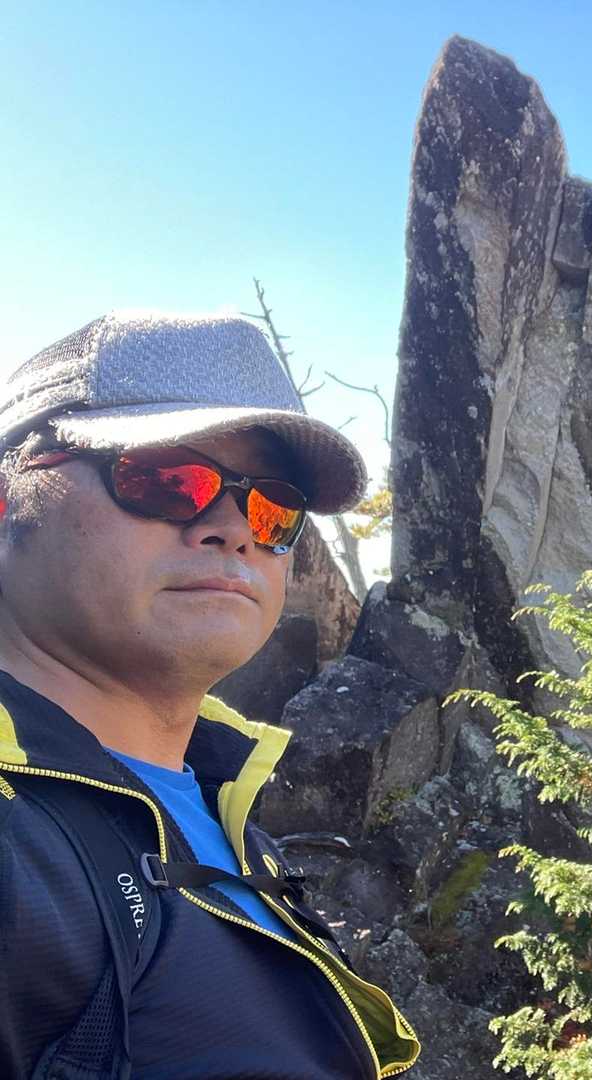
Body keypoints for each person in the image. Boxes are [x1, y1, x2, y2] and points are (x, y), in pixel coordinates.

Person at [0, 312, 421, 1078]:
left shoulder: (225, 804)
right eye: (165, 478)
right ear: (8, 498)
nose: (235, 530)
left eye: (274, 508)